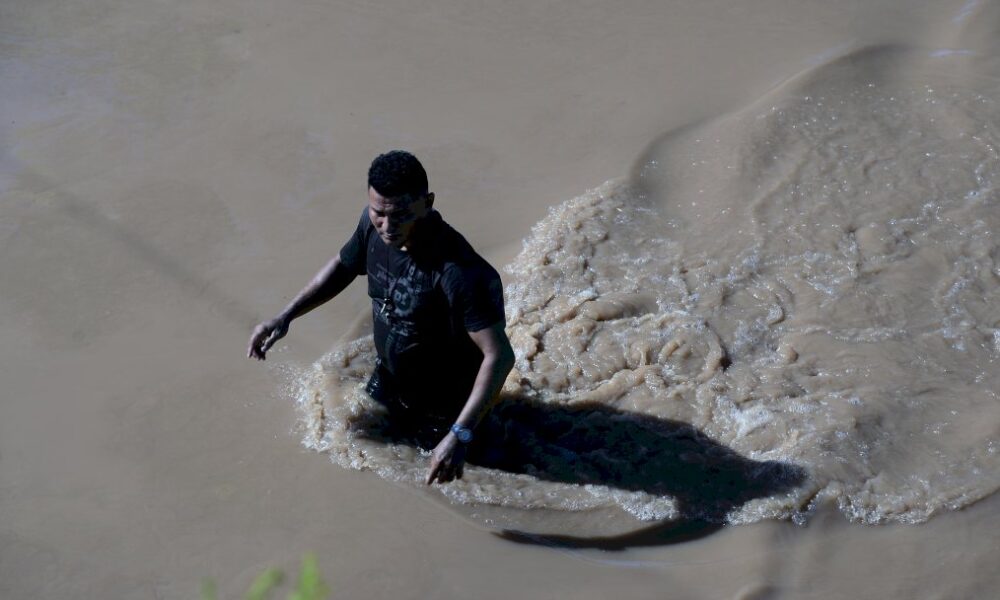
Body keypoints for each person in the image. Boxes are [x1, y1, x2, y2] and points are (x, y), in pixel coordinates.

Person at [248, 150, 515, 485]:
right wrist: (286, 316)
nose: (387, 227)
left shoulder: (458, 272)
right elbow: (343, 266)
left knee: (473, 480)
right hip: (390, 379)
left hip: (447, 407)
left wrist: (459, 434)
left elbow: (500, 355)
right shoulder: (371, 226)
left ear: (427, 202)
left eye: (400, 214)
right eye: (379, 214)